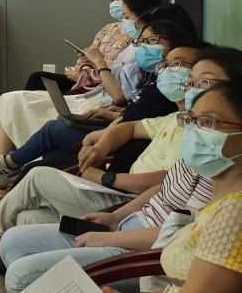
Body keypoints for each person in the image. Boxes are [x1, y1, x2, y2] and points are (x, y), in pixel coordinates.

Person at [0, 47, 242, 291]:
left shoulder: (229, 204)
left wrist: (109, 202)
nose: (194, 90)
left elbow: (172, 241)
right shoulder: (201, 152)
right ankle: (2, 226)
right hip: (129, 220)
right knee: (17, 235)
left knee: (21, 271)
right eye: (192, 84)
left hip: (140, 246)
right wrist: (116, 218)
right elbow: (163, 187)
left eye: (205, 83)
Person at [0, 39, 207, 244]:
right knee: (28, 218)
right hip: (120, 192)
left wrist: (106, 178)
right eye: (166, 64)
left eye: (177, 64)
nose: (168, 70)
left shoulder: (204, 136)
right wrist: (101, 147)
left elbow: (168, 179)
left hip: (128, 200)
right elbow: (130, 127)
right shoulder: (174, 118)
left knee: (38, 175)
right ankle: (3, 245)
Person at [0, 20, 200, 202]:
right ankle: (6, 174)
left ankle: (6, 168)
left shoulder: (175, 103)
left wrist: (102, 149)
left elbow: (128, 106)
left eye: (151, 41)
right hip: (110, 128)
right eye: (142, 41)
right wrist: (111, 121)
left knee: (51, 132)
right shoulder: (162, 88)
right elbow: (133, 118)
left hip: (118, 160)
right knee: (41, 154)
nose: (143, 45)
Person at [98, 81, 242, 293]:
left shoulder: (234, 213)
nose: (193, 131)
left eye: (208, 122)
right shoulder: (220, 202)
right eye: (190, 120)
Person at [0, 0, 163, 157]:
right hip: (95, 92)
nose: (123, 20)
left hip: (101, 100)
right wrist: (92, 62)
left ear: (143, 16)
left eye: (127, 16)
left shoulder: (146, 54)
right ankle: (1, 162)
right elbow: (113, 72)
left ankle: (7, 162)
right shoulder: (130, 41)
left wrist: (99, 62)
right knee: (11, 99)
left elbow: (120, 96)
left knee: (23, 105)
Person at [22, 0, 146, 94]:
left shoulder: (140, 34)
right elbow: (90, 53)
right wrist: (85, 61)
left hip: (100, 82)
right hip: (83, 76)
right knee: (37, 78)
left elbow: (118, 71)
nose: (114, 3)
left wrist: (86, 76)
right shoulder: (109, 28)